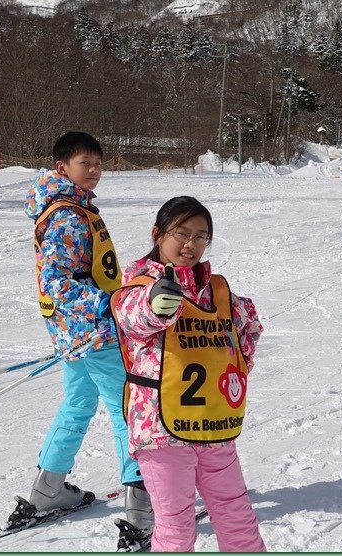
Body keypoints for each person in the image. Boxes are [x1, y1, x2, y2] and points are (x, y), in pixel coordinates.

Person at [14, 131, 153, 545]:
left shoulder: (73, 206)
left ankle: (48, 490)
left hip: (75, 332)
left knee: (78, 403)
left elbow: (87, 269)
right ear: (62, 168)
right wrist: (109, 305)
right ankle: (144, 508)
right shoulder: (67, 215)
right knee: (126, 407)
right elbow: (57, 282)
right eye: (84, 164)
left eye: (97, 164)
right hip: (93, 331)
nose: (93, 172)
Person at [110, 196, 266, 552]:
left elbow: (248, 326)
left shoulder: (217, 291)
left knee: (235, 512)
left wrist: (233, 370)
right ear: (157, 234)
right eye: (181, 233)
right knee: (176, 523)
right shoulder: (137, 287)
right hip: (160, 428)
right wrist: (156, 305)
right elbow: (133, 316)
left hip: (212, 421)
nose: (190, 244)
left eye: (201, 236)